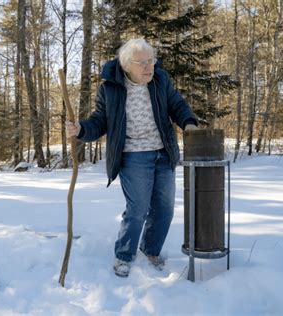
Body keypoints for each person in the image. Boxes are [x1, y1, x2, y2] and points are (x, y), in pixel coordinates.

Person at [67, 38, 199, 277]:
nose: (149, 67)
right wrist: (81, 130)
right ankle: (124, 255)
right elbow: (100, 122)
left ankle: (150, 250)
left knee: (165, 209)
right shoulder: (110, 88)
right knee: (137, 208)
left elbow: (177, 104)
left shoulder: (160, 80)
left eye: (152, 60)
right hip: (133, 156)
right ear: (127, 65)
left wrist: (188, 123)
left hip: (163, 152)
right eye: (143, 63)